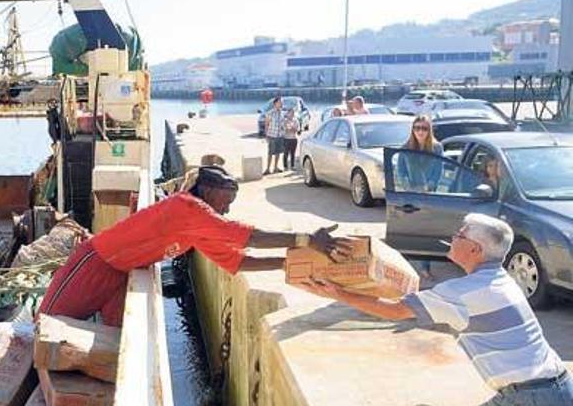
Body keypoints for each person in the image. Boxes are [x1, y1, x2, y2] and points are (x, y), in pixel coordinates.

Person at [298, 213, 573, 406]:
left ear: (475, 249)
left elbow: (395, 311)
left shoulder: (461, 292)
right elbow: (423, 300)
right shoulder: (503, 281)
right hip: (560, 390)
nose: (453, 237)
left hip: (525, 399)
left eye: (460, 234)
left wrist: (338, 293)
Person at [38, 165, 352, 327]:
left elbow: (239, 261)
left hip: (119, 274)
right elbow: (246, 236)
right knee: (49, 321)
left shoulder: (197, 229)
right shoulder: (187, 208)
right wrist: (306, 239)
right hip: (95, 263)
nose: (226, 209)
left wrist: (290, 262)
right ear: (209, 191)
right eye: (225, 202)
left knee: (91, 335)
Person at [398, 115, 445, 280]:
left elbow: (439, 170)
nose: (420, 131)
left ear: (429, 130)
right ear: (412, 129)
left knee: (426, 232)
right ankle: (405, 268)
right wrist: (409, 188)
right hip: (411, 196)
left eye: (424, 128)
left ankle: (425, 268)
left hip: (429, 196)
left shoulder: (437, 148)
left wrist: (429, 187)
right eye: (417, 128)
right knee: (411, 232)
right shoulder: (405, 148)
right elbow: (401, 172)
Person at [264, 98, 284, 174]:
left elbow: (283, 124)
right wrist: (266, 136)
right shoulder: (270, 113)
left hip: (279, 135)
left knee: (278, 152)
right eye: (279, 102)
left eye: (281, 102)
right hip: (271, 135)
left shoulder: (282, 113)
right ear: (275, 104)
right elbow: (266, 124)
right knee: (270, 153)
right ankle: (268, 169)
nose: (281, 104)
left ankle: (275, 167)